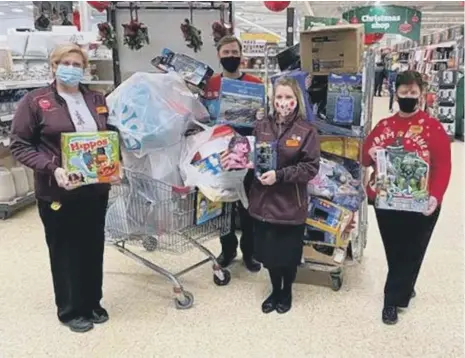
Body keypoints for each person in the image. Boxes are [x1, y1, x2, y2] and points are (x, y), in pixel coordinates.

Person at [9, 44, 116, 333]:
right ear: (54, 66)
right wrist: (52, 168)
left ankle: (92, 301)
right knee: (66, 248)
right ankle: (71, 310)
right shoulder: (35, 101)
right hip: (57, 190)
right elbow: (19, 144)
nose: (72, 68)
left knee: (93, 246)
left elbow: (110, 136)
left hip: (94, 190)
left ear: (85, 69)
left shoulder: (95, 98)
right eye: (65, 62)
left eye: (77, 64)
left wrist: (114, 167)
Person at [362, 70, 451, 325]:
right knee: (394, 250)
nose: (408, 96)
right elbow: (364, 158)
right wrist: (372, 151)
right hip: (386, 200)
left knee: (412, 251)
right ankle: (405, 282)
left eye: (413, 92)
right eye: (404, 92)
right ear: (396, 93)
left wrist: (435, 196)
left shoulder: (432, 128)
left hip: (421, 202)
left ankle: (392, 300)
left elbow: (443, 166)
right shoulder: (384, 126)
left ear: (421, 95)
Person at [247, 77, 320, 314]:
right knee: (268, 254)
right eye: (279, 97)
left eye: (288, 97)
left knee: (287, 255)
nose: (283, 102)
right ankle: (274, 289)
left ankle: (286, 290)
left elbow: (310, 167)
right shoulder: (261, 126)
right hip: (263, 201)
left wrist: (280, 175)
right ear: (272, 99)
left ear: (297, 100)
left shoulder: (306, 131)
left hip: (290, 203)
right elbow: (253, 156)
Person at [203, 35, 262, 272]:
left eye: (234, 52)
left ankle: (250, 252)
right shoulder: (209, 85)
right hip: (219, 152)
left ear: (241, 55)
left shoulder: (255, 83)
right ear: (218, 55)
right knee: (223, 205)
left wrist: (260, 116)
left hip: (247, 151)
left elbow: (265, 118)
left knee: (248, 205)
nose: (230, 57)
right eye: (225, 53)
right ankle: (227, 249)